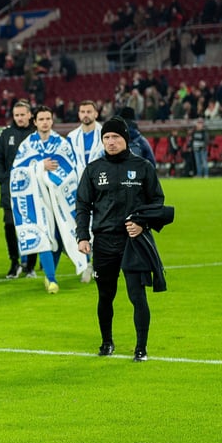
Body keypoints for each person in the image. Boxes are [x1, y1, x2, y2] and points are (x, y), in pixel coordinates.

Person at [76, 117, 166, 362]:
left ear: (125, 139)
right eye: (106, 137)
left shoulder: (143, 166)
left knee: (137, 296)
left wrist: (142, 224)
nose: (111, 142)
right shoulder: (94, 169)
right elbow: (83, 205)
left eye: (115, 137)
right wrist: (82, 236)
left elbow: (157, 201)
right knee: (105, 295)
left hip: (133, 241)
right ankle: (106, 342)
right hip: (104, 242)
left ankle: (141, 348)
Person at [10, 106, 88, 293]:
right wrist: (39, 166)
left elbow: (71, 171)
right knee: (43, 235)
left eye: (48, 118)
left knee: (61, 236)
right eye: (41, 119)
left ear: (52, 121)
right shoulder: (27, 145)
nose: (45, 122)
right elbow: (16, 173)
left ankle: (55, 273)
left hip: (59, 199)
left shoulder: (61, 144)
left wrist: (51, 178)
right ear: (34, 122)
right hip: (36, 200)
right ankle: (52, 280)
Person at [0, 100, 35, 279]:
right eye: (16, 115)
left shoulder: (35, 133)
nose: (19, 118)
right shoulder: (6, 134)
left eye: (22, 114)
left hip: (32, 190)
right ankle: (14, 262)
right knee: (10, 226)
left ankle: (30, 266)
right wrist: (3, 178)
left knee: (32, 226)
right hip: (9, 189)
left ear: (29, 115)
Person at [66, 100, 104, 283]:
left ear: (96, 113)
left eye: (89, 111)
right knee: (82, 227)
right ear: (79, 114)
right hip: (78, 190)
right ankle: (86, 264)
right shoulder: (71, 137)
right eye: (82, 111)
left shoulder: (106, 134)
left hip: (102, 189)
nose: (86, 114)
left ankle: (97, 265)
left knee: (101, 227)